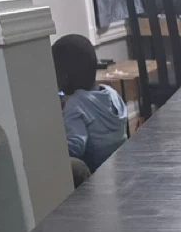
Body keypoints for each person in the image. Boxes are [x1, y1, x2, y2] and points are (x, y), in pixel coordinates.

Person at [52, 34, 128, 179]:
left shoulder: (75, 105)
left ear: (64, 78)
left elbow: (76, 146)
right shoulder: (111, 92)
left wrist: (52, 148)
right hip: (121, 164)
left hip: (99, 173)